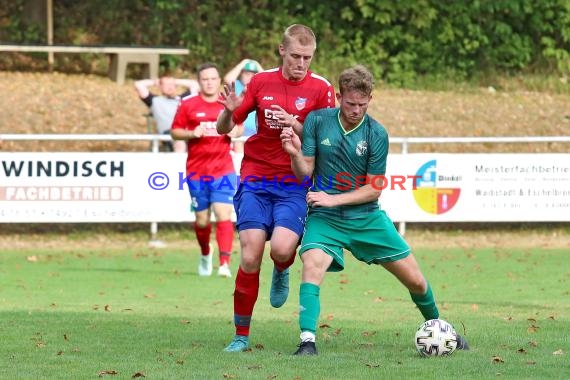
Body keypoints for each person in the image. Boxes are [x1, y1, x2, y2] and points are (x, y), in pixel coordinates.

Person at [280, 64, 470, 355]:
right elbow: (304, 171)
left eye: (363, 104)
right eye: (351, 103)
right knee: (312, 264)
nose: (356, 109)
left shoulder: (377, 134)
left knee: (416, 281)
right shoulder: (317, 121)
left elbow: (375, 188)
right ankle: (307, 341)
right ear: (338, 96)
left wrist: (334, 199)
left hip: (366, 217)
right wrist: (294, 154)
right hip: (326, 219)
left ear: (371, 99)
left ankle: (439, 328)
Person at [216, 24, 335, 352]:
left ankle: (281, 268)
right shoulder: (260, 81)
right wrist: (228, 113)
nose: (301, 63)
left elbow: (328, 141)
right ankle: (241, 336)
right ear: (282, 51)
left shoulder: (322, 89)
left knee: (282, 249)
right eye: (296, 56)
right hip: (256, 178)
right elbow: (225, 128)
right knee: (251, 254)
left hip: (295, 181)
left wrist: (294, 123)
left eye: (307, 57)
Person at [171, 63, 242, 278]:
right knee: (202, 220)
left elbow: (239, 128)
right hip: (196, 171)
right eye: (205, 79)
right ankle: (205, 252)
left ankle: (224, 264)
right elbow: (175, 132)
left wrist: (233, 131)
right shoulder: (188, 104)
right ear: (199, 81)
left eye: (213, 78)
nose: (209, 82)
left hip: (223, 169)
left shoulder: (228, 103)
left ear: (219, 80)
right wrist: (192, 133)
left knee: (223, 214)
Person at [135, 74, 199, 152]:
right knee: (180, 143)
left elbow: (196, 85)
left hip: (187, 132)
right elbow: (138, 85)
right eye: (166, 84)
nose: (170, 87)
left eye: (172, 84)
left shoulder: (182, 99)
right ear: (160, 86)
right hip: (169, 133)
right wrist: (156, 82)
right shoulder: (154, 101)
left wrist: (176, 81)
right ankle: (180, 164)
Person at [223, 59, 264, 171]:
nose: (249, 77)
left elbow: (269, 80)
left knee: (257, 163)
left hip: (257, 132)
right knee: (239, 160)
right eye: (246, 74)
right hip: (239, 132)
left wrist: (257, 64)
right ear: (241, 74)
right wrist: (242, 62)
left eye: (252, 74)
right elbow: (227, 78)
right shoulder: (236, 86)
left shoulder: (260, 87)